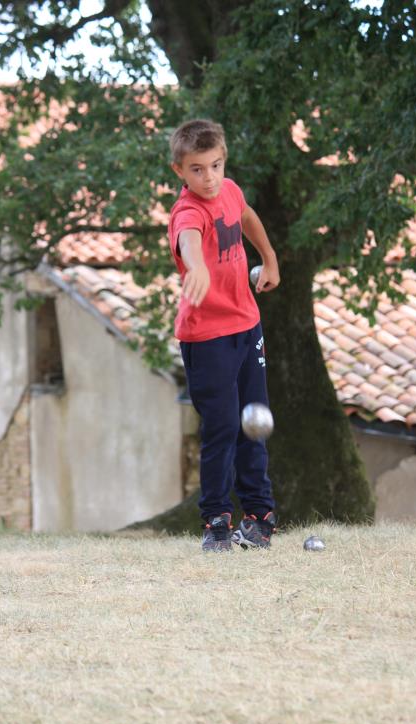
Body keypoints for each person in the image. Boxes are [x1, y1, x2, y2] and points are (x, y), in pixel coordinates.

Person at [168, 119, 280, 552]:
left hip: (247, 325)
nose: (209, 177)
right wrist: (195, 266)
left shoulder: (229, 191)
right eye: (197, 169)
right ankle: (216, 522)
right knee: (222, 427)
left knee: (255, 423)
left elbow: (246, 215)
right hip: (206, 337)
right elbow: (189, 238)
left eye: (215, 165)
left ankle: (260, 517)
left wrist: (268, 257)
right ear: (180, 170)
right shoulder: (188, 211)